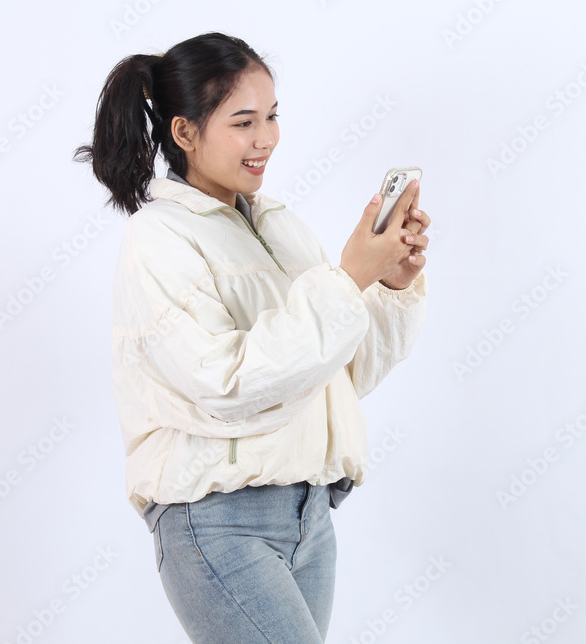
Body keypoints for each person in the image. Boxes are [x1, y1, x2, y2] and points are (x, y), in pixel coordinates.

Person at [74, 32, 429, 643]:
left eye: (272, 116)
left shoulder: (280, 225)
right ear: (185, 133)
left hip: (310, 516)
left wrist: (389, 284)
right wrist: (347, 279)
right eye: (243, 122)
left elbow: (340, 375)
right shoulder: (158, 237)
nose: (266, 138)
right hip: (219, 520)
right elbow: (226, 383)